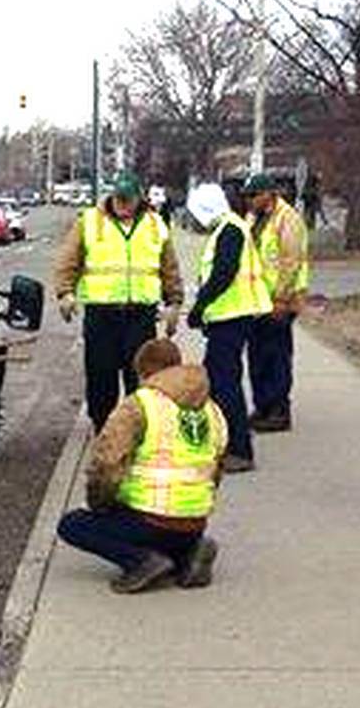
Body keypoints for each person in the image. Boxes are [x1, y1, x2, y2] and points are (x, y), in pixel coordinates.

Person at [56, 337, 227, 593]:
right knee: (168, 530)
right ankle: (189, 551)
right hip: (194, 520)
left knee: (72, 525)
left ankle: (142, 561)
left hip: (150, 519)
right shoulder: (212, 410)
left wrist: (100, 503)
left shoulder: (141, 404)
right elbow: (216, 468)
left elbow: (107, 462)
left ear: (145, 372)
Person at [53, 171, 184, 432]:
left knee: (140, 377)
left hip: (140, 315)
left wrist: (174, 303)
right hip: (102, 316)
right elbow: (68, 260)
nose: (122, 205)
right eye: (119, 199)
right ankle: (103, 426)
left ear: (139, 198)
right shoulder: (89, 222)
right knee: (101, 376)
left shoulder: (156, 224)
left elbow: (169, 267)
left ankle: (138, 428)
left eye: (128, 200)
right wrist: (65, 293)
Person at [183, 180, 269, 473]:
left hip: (231, 318)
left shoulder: (230, 231)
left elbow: (222, 274)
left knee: (224, 383)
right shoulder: (229, 228)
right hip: (229, 317)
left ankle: (239, 449)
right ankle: (229, 444)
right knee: (220, 381)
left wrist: (199, 307)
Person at [242, 172, 310, 433]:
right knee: (257, 356)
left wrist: (281, 298)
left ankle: (279, 410)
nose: (249, 201)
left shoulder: (288, 219)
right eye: (248, 196)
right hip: (256, 300)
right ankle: (262, 407)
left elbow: (290, 262)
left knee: (276, 356)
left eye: (254, 196)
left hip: (279, 302)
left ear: (269, 194)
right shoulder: (254, 218)